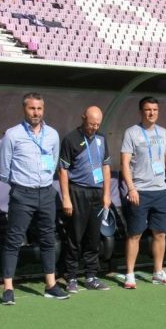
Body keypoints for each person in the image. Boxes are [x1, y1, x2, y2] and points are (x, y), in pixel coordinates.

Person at [0, 93, 68, 305]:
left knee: (48, 239)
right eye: (32, 108)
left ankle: (50, 285)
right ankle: (8, 288)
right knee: (14, 240)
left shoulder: (53, 134)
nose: (36, 113)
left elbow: (53, 162)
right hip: (22, 193)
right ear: (24, 109)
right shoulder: (12, 134)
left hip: (46, 192)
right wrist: (20, 187)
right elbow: (4, 169)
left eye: (39, 108)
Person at [121, 97, 166, 289]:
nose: (151, 113)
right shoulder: (131, 132)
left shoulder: (163, 133)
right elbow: (124, 163)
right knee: (135, 234)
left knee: (160, 233)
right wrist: (131, 188)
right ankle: (130, 274)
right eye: (148, 109)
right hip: (139, 191)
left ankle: (158, 271)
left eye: (155, 109)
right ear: (141, 112)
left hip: (160, 191)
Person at [59, 106, 112, 293]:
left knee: (93, 236)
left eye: (97, 124)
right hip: (77, 191)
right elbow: (63, 170)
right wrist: (66, 198)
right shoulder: (70, 139)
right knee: (75, 236)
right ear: (83, 118)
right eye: (91, 124)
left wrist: (107, 194)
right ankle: (71, 277)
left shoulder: (101, 138)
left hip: (97, 193)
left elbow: (106, 166)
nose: (94, 128)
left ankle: (91, 276)